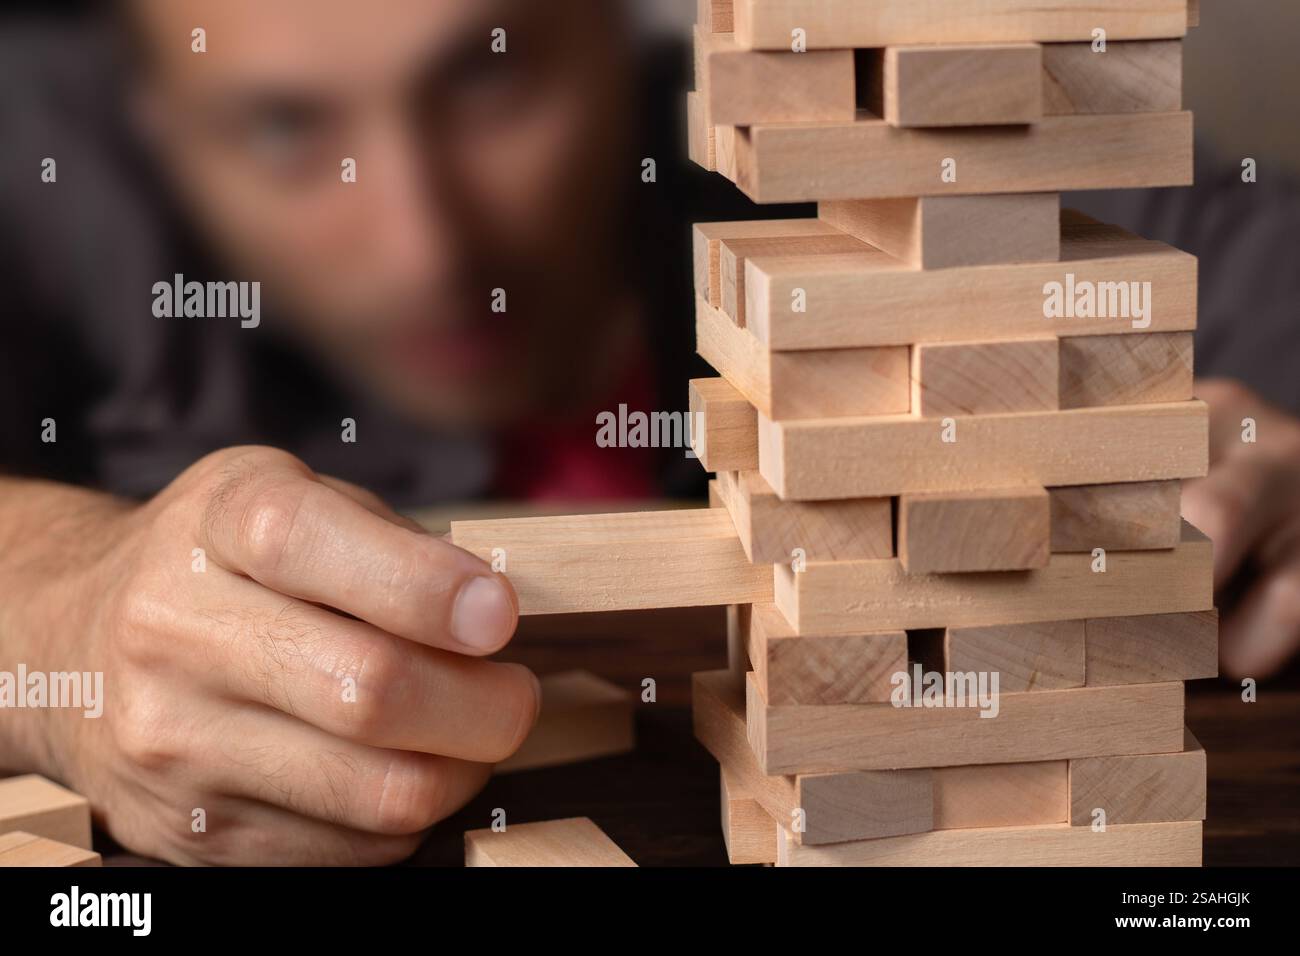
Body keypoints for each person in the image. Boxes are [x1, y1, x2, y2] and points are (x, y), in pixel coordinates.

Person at [1, 0, 1298, 866]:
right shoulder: (43, 188)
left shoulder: (838, 123)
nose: (428, 244)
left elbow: (1251, 258)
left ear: (612, 40)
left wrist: (1268, 453)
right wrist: (54, 604)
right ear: (147, 116)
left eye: (494, 80)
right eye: (285, 127)